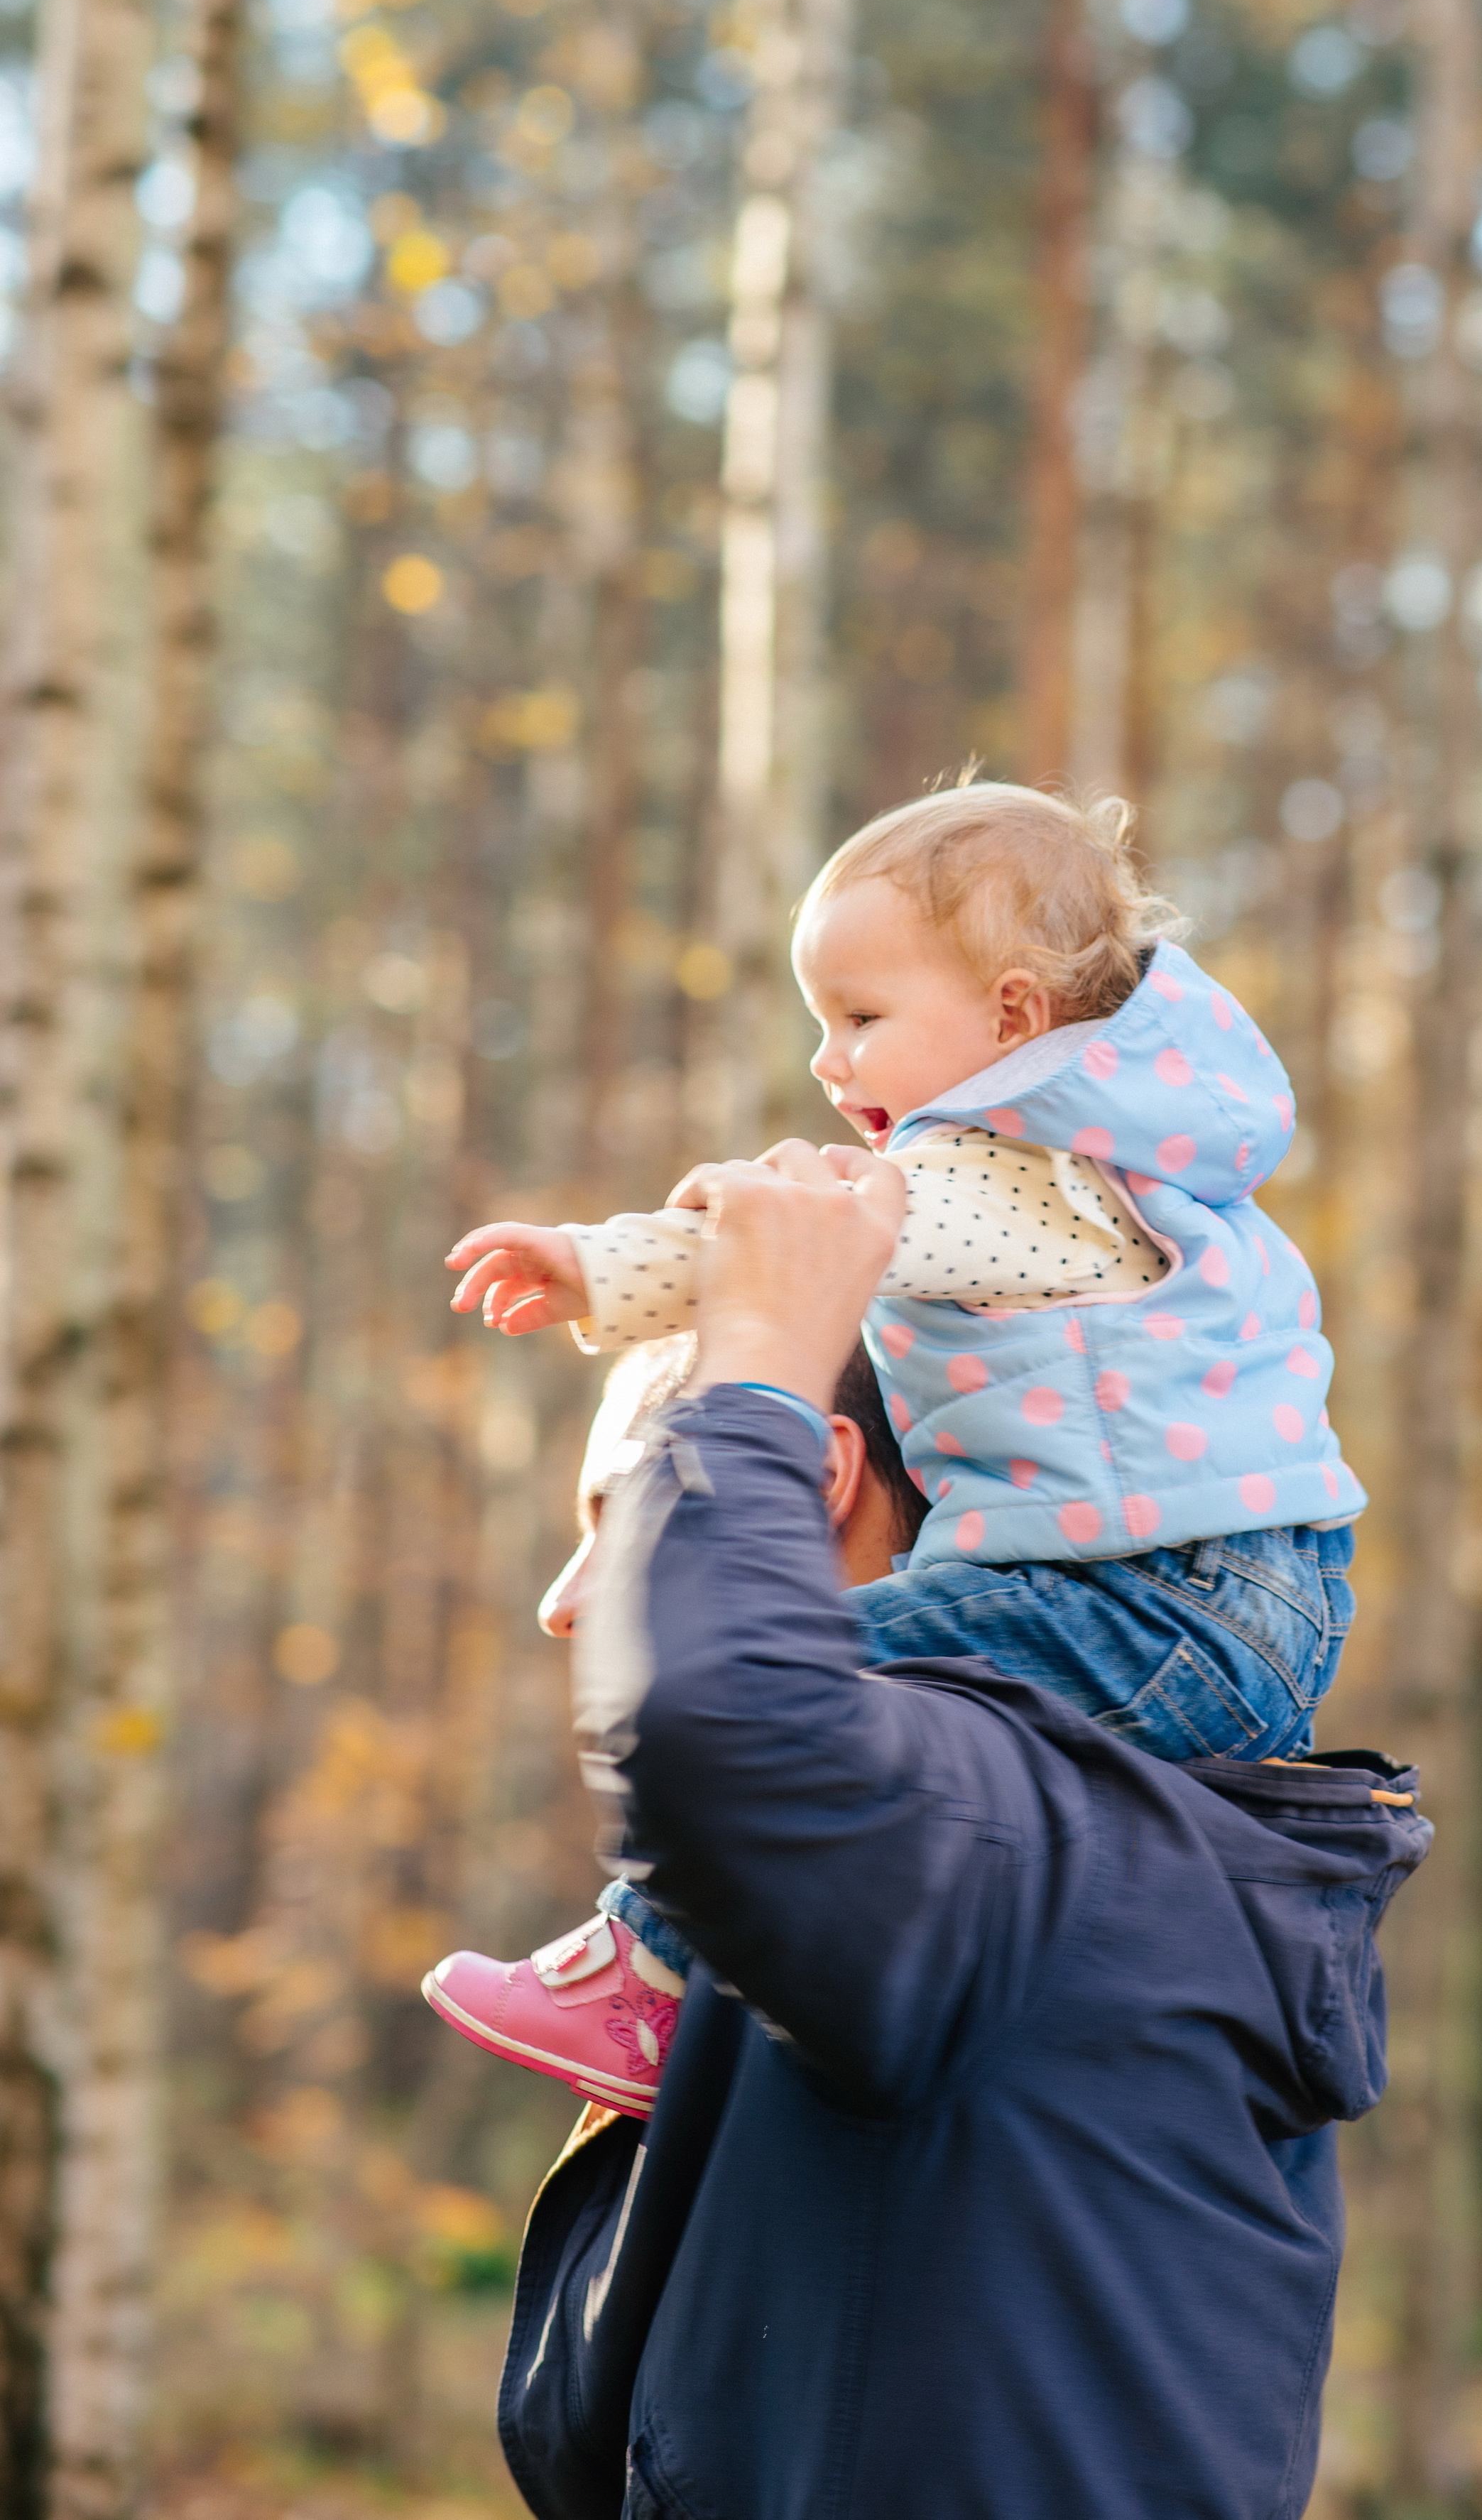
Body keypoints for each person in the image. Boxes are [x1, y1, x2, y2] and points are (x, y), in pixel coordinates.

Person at [488, 1143, 1429, 2520]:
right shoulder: (991, 1853)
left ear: (810, 1476)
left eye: (628, 1510)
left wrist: (762, 1356)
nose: (563, 1601)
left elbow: (715, 1723)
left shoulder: (998, 1844)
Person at [427, 782, 1367, 2114]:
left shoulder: (1020, 1173)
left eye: (861, 1020)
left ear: (1015, 1015)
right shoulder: (1118, 1163)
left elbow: (805, 1244)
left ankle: (642, 1979)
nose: (831, 1063)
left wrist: (595, 1265)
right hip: (1227, 1601)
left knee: (789, 1678)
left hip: (1158, 1603)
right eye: (822, 1024)